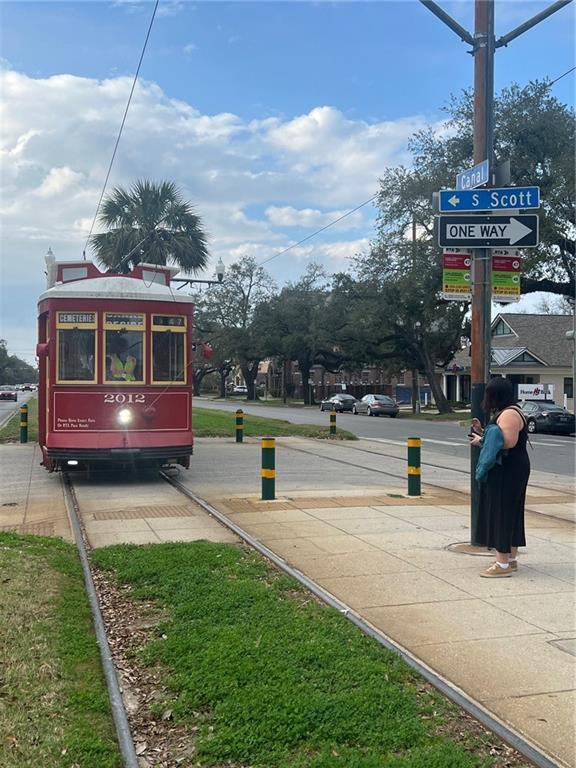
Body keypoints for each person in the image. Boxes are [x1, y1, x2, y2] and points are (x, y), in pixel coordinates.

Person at [468, 377, 530, 578]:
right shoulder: (510, 412)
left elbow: (507, 442)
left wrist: (481, 441)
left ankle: (501, 563)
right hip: (514, 467)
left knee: (501, 512)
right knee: (511, 512)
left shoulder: (509, 414)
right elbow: (499, 437)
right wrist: (482, 433)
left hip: (507, 469)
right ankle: (510, 559)